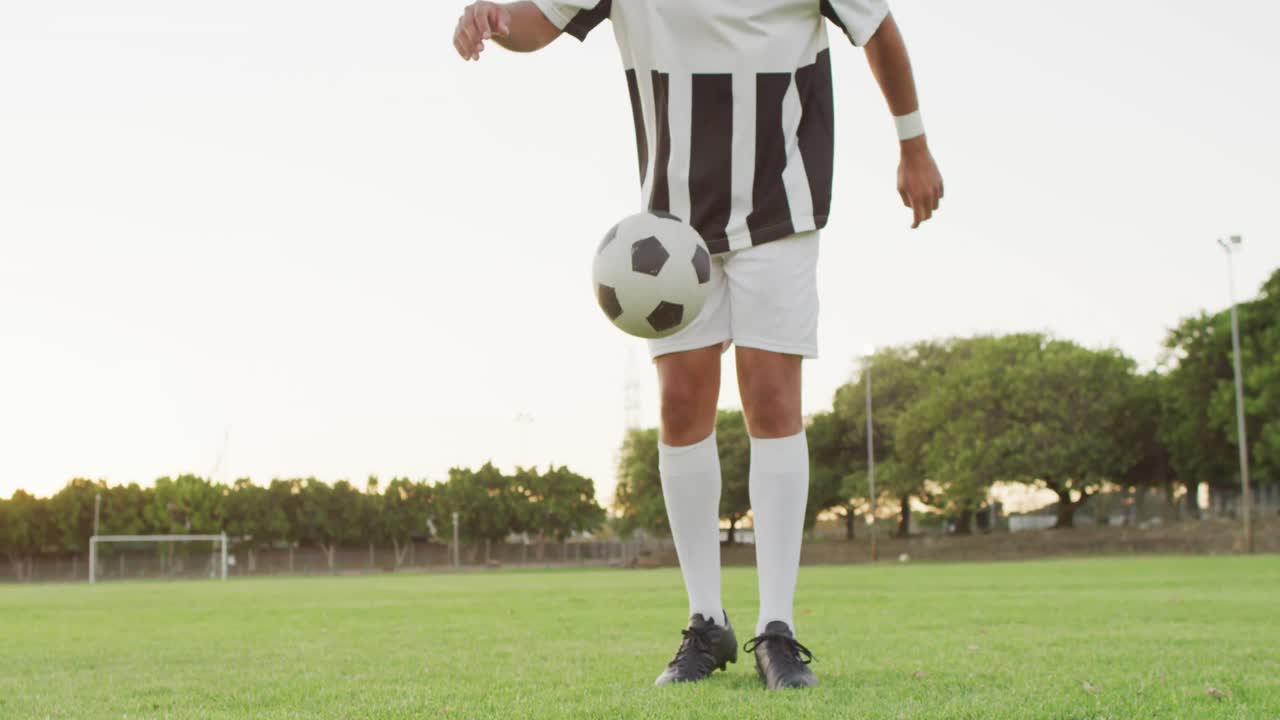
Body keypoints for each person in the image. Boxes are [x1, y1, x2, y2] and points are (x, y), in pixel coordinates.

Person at [452, 0, 943, 690]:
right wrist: (495, 21)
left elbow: (878, 28)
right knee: (682, 404)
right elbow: (541, 21)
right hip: (671, 235)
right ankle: (706, 622)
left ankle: (777, 628)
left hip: (781, 208)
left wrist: (912, 143)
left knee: (772, 398)